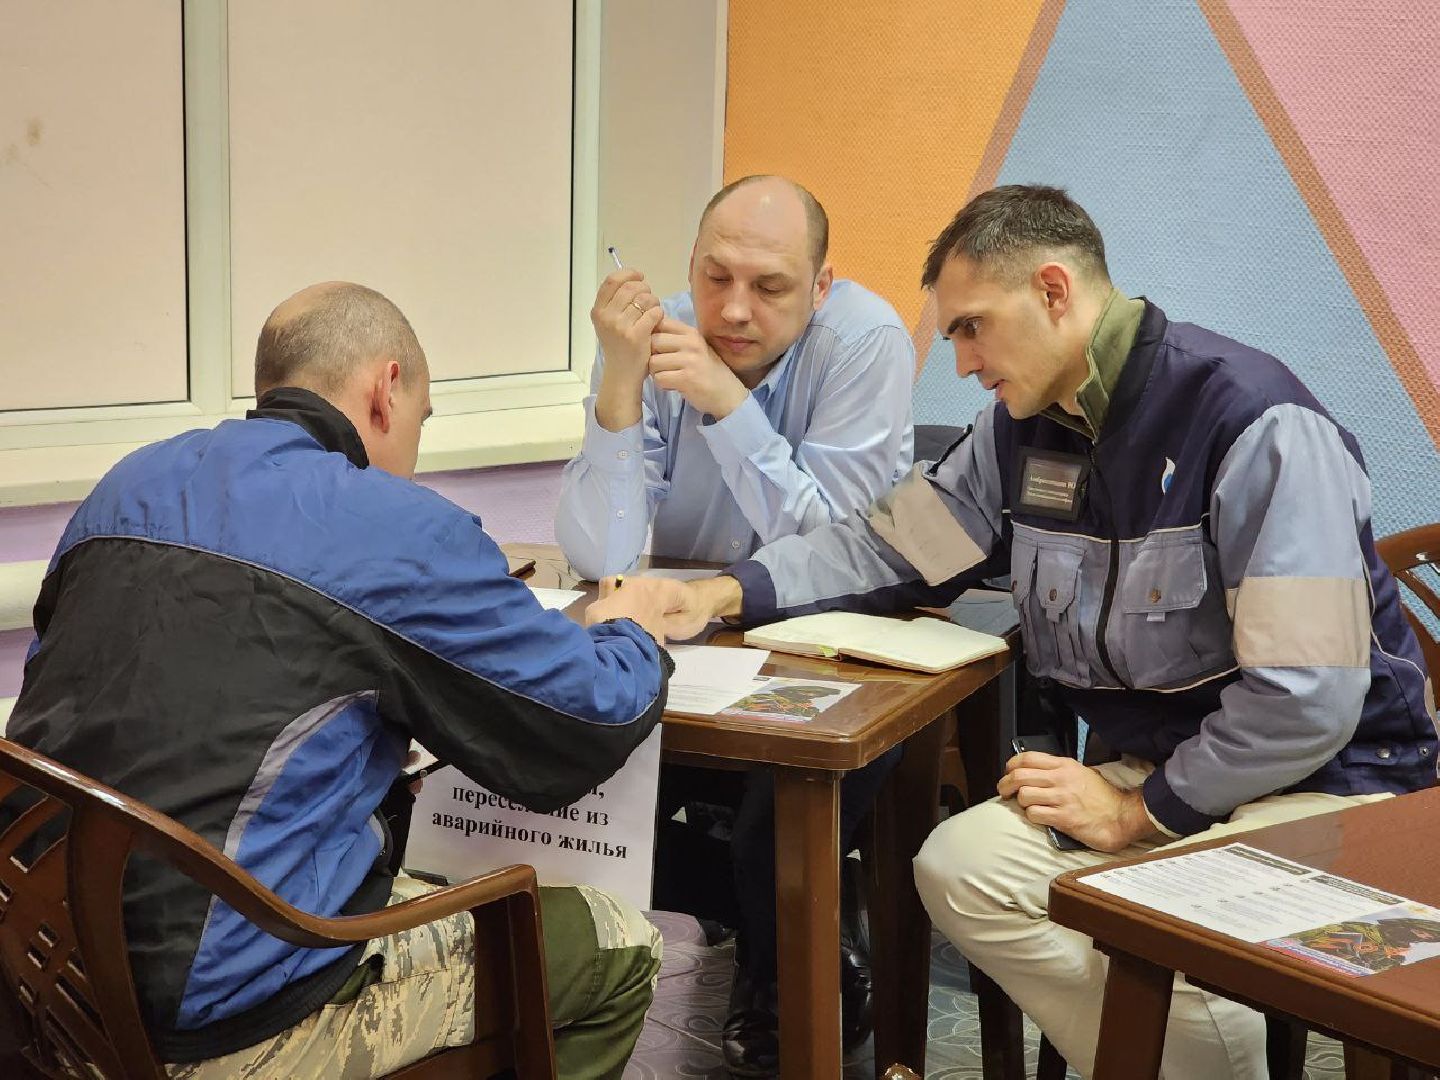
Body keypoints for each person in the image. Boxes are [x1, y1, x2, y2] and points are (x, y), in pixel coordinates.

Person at [660, 185, 1438, 1078]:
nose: (959, 363)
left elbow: (1308, 701)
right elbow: (888, 546)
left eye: (972, 328)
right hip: (1162, 767)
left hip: (1333, 780)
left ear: (1055, 291)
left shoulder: (1256, 423)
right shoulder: (1018, 429)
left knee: (1172, 931)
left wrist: (1140, 811)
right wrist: (722, 594)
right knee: (956, 866)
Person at [5, 282, 686, 1080]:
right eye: (422, 425)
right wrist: (633, 626)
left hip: (50, 976)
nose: (414, 455)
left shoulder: (129, 484)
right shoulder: (391, 526)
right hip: (227, 1024)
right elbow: (586, 724)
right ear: (385, 389)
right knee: (616, 940)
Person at [555, 174, 916, 1074]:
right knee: (558, 777)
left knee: (769, 828)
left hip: (841, 645)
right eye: (714, 279)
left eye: (769, 287)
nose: (733, 309)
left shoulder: (865, 341)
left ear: (822, 284)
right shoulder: (655, 330)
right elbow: (599, 548)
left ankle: (788, 978)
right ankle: (790, 932)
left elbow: (843, 548)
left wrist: (727, 407)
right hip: (688, 638)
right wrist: (619, 393)